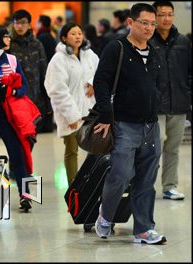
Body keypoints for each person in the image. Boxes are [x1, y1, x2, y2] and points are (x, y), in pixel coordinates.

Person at [93, 3, 166, 245]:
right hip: (124, 124)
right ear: (130, 23)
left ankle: (144, 230)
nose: (149, 28)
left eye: (152, 24)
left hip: (151, 125)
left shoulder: (154, 51)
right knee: (121, 175)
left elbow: (158, 83)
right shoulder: (117, 48)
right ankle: (106, 216)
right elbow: (101, 81)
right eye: (144, 22)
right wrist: (106, 115)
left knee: (146, 179)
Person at [0, 24, 37, 213]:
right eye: (6, 36)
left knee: (18, 154)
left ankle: (25, 195)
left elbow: (24, 86)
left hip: (10, 115)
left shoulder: (12, 60)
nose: (9, 39)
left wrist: (12, 90)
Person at [44, 22, 99, 185]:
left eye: (80, 33)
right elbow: (57, 89)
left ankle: (91, 183)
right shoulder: (58, 59)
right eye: (73, 34)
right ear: (64, 38)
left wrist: (92, 82)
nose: (78, 37)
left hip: (90, 109)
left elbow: (101, 71)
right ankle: (74, 187)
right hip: (70, 112)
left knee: (95, 149)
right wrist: (72, 116)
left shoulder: (90, 54)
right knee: (72, 150)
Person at [149, 1, 191, 200]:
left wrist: (187, 94)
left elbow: (189, 72)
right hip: (155, 106)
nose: (166, 19)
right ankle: (146, 185)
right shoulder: (148, 40)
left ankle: (169, 186)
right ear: (154, 17)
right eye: (162, 15)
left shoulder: (183, 41)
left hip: (179, 103)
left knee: (173, 148)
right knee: (153, 148)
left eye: (170, 14)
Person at [9, 9, 53, 134]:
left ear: (29, 24)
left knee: (33, 134)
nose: (19, 26)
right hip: (17, 97)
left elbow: (44, 71)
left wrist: (48, 101)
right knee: (19, 135)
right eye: (16, 23)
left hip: (36, 97)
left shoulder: (37, 44)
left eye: (23, 23)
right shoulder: (9, 45)